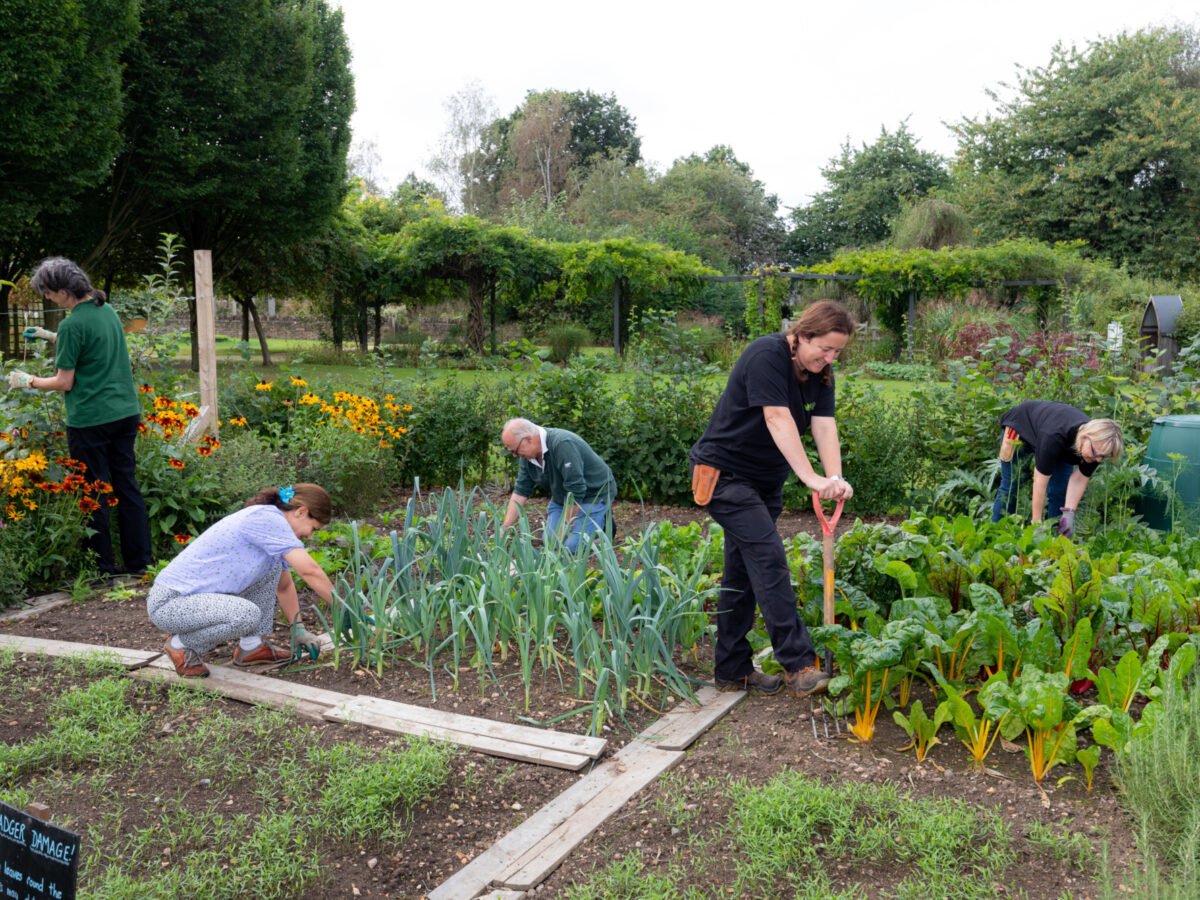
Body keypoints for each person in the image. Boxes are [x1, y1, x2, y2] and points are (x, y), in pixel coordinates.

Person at [689, 300, 856, 698]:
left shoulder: (820, 374)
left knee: (743, 573)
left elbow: (824, 425)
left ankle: (731, 669)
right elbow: (777, 418)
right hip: (725, 476)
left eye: (837, 352)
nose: (829, 358)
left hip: (764, 483)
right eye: (824, 349)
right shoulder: (766, 354)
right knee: (768, 558)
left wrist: (834, 478)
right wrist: (812, 478)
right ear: (801, 335)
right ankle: (798, 663)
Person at [9, 257, 152, 577]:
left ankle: (100, 568)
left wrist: (27, 380)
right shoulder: (106, 310)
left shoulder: (72, 324)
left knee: (93, 490)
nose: (46, 298)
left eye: (47, 293)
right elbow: (93, 344)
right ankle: (141, 563)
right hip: (125, 413)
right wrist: (49, 335)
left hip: (91, 419)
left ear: (61, 292)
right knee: (126, 486)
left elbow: (63, 382)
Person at [146, 484, 331, 677]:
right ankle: (181, 645)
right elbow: (310, 571)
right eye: (314, 528)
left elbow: (283, 586)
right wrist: (344, 609)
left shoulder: (275, 529)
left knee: (273, 567)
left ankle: (252, 647)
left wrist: (298, 628)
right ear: (301, 512)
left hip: (194, 601)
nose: (310, 536)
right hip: (170, 603)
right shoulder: (267, 519)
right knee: (246, 615)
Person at [990, 401, 1123, 537]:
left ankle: (1055, 540)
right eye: (1097, 454)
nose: (1099, 460)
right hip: (1020, 427)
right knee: (1013, 485)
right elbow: (1040, 482)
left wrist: (1069, 514)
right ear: (1084, 438)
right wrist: (1036, 524)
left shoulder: (1098, 447)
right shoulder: (1054, 436)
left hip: (1059, 440)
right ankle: (996, 535)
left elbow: (1079, 479)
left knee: (1060, 492)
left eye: (1104, 457)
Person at [500, 417, 617, 552]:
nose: (515, 455)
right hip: (562, 498)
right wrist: (504, 529)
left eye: (515, 450)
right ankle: (586, 524)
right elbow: (520, 492)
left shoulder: (562, 444)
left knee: (570, 547)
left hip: (593, 494)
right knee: (550, 542)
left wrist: (564, 529)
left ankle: (605, 528)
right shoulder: (528, 456)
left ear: (528, 439)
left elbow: (576, 490)